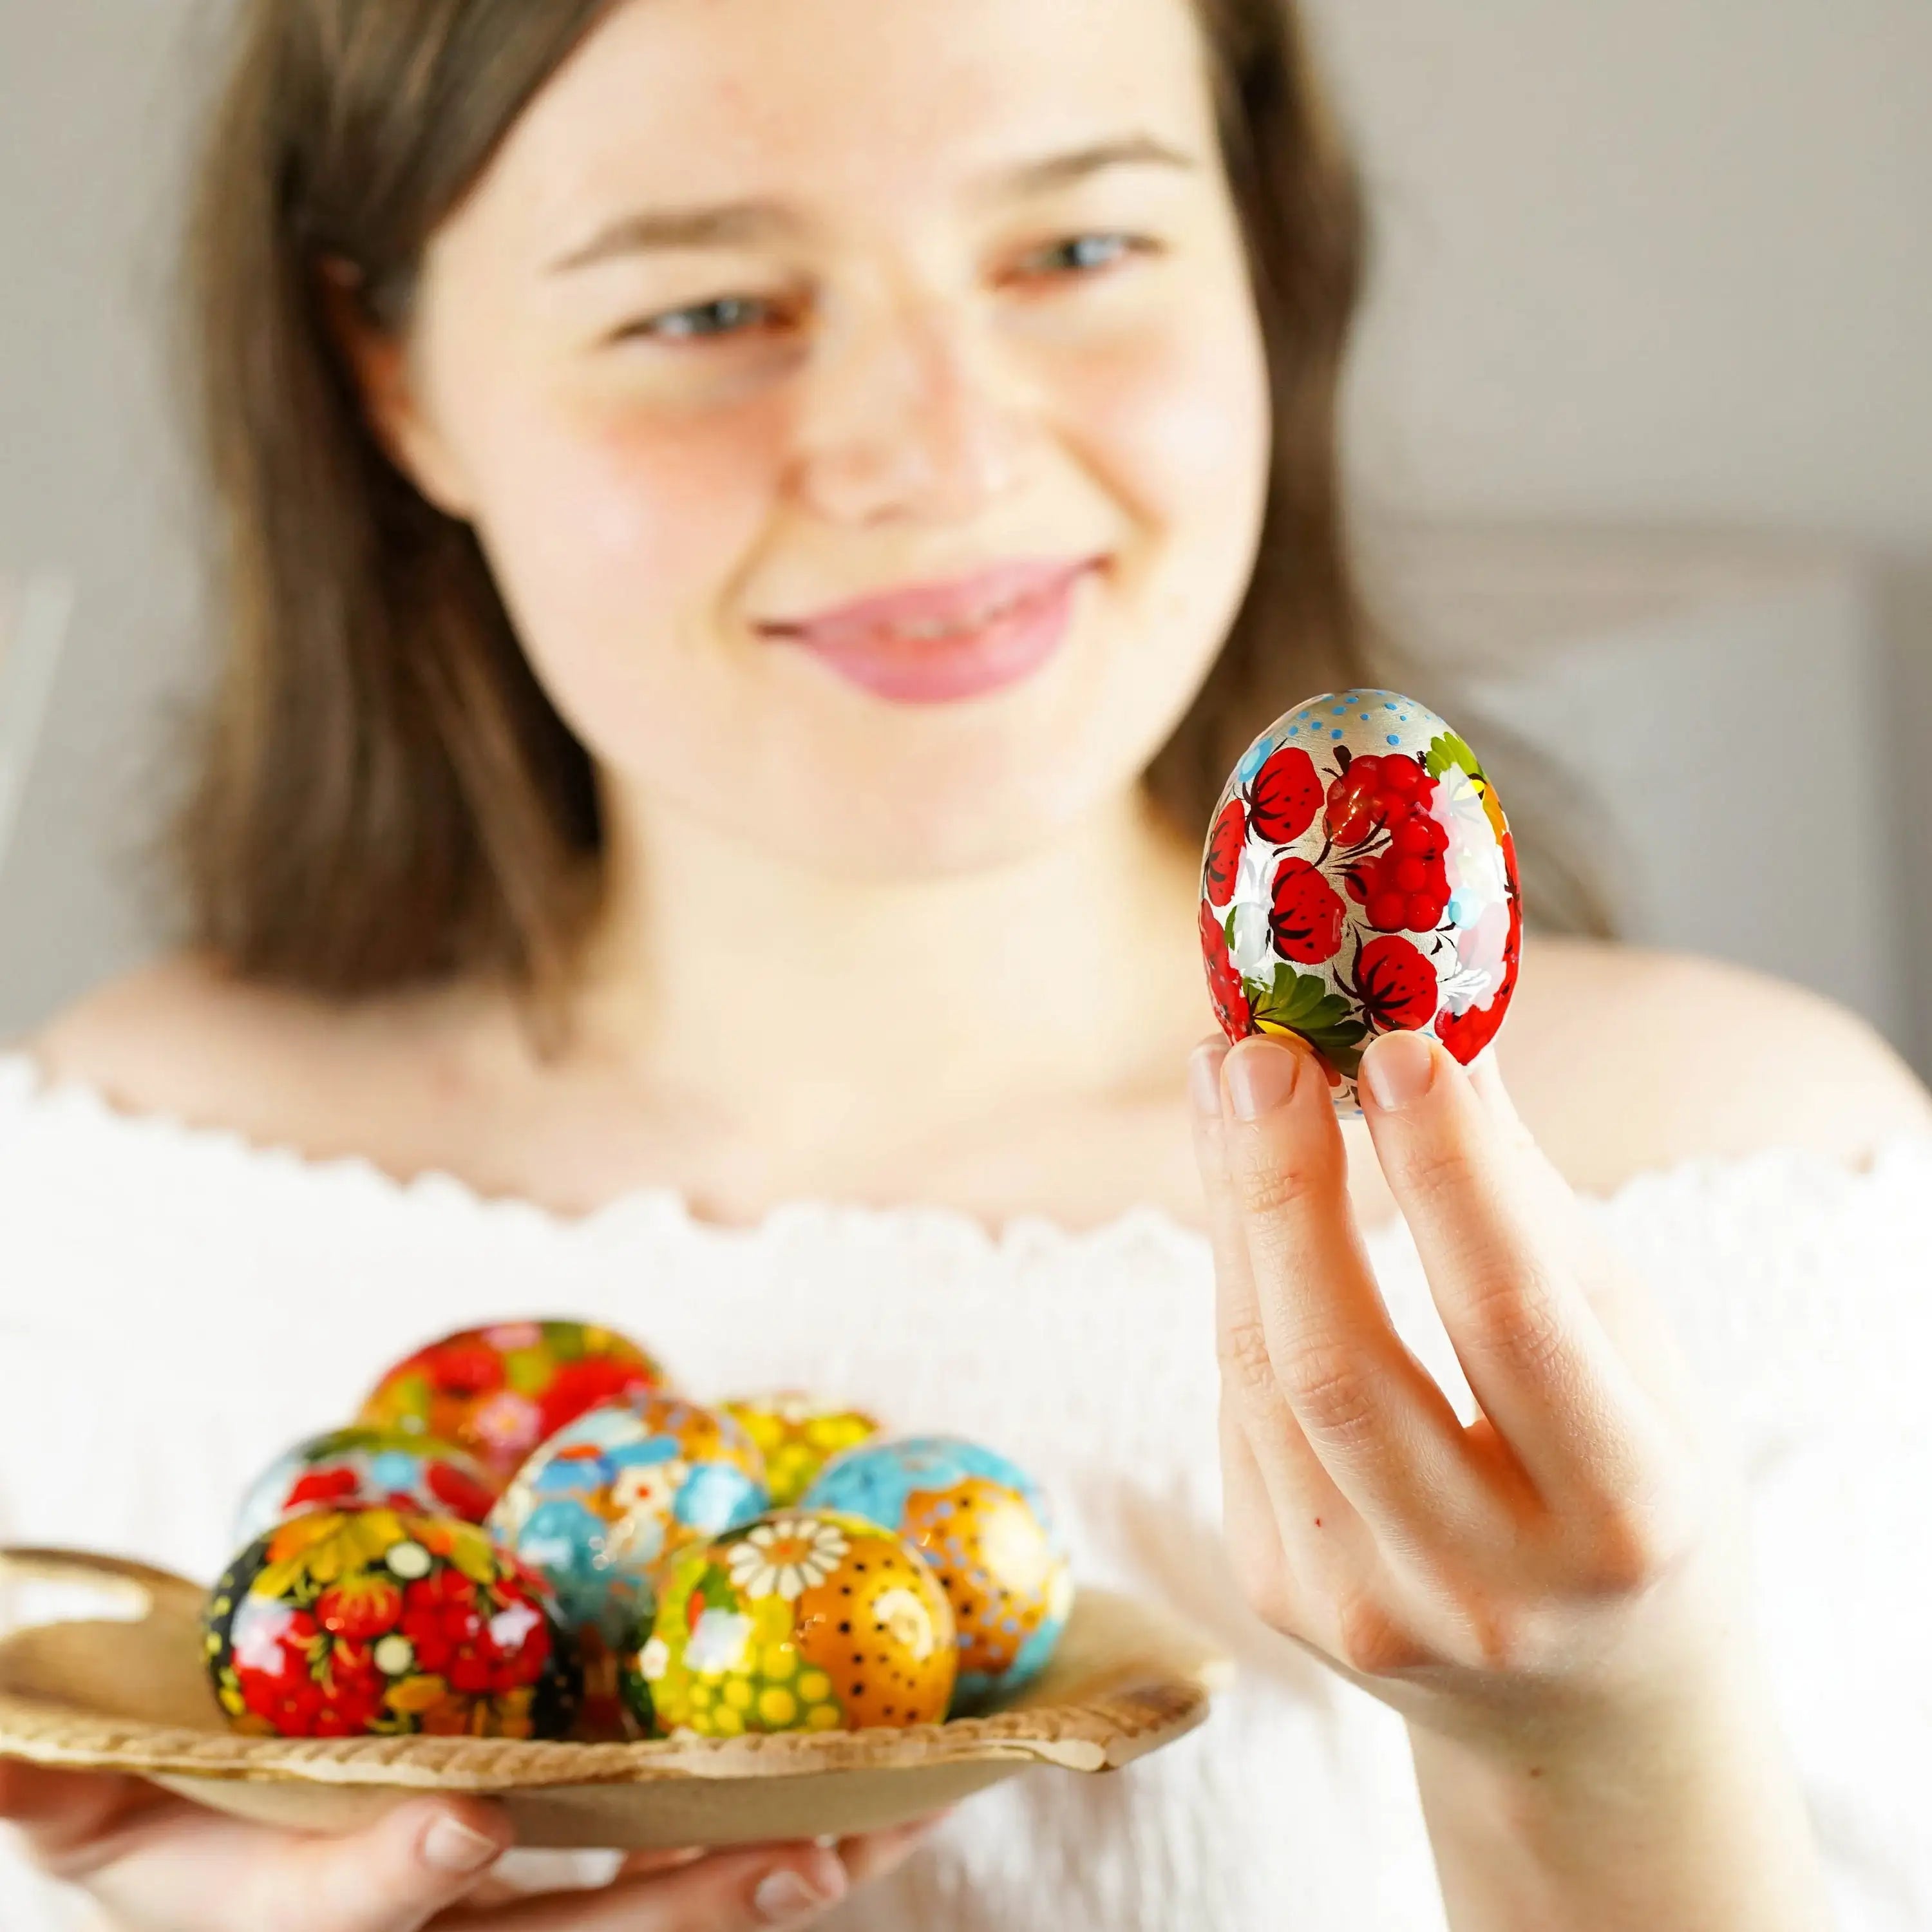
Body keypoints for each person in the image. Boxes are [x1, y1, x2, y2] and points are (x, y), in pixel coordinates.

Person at [2, 0, 1929, 1926]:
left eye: (1078, 250)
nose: (940, 452)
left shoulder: (1751, 1204)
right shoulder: (106, 1206)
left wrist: (1600, 1760)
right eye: (703, 310)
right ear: (391, 375)